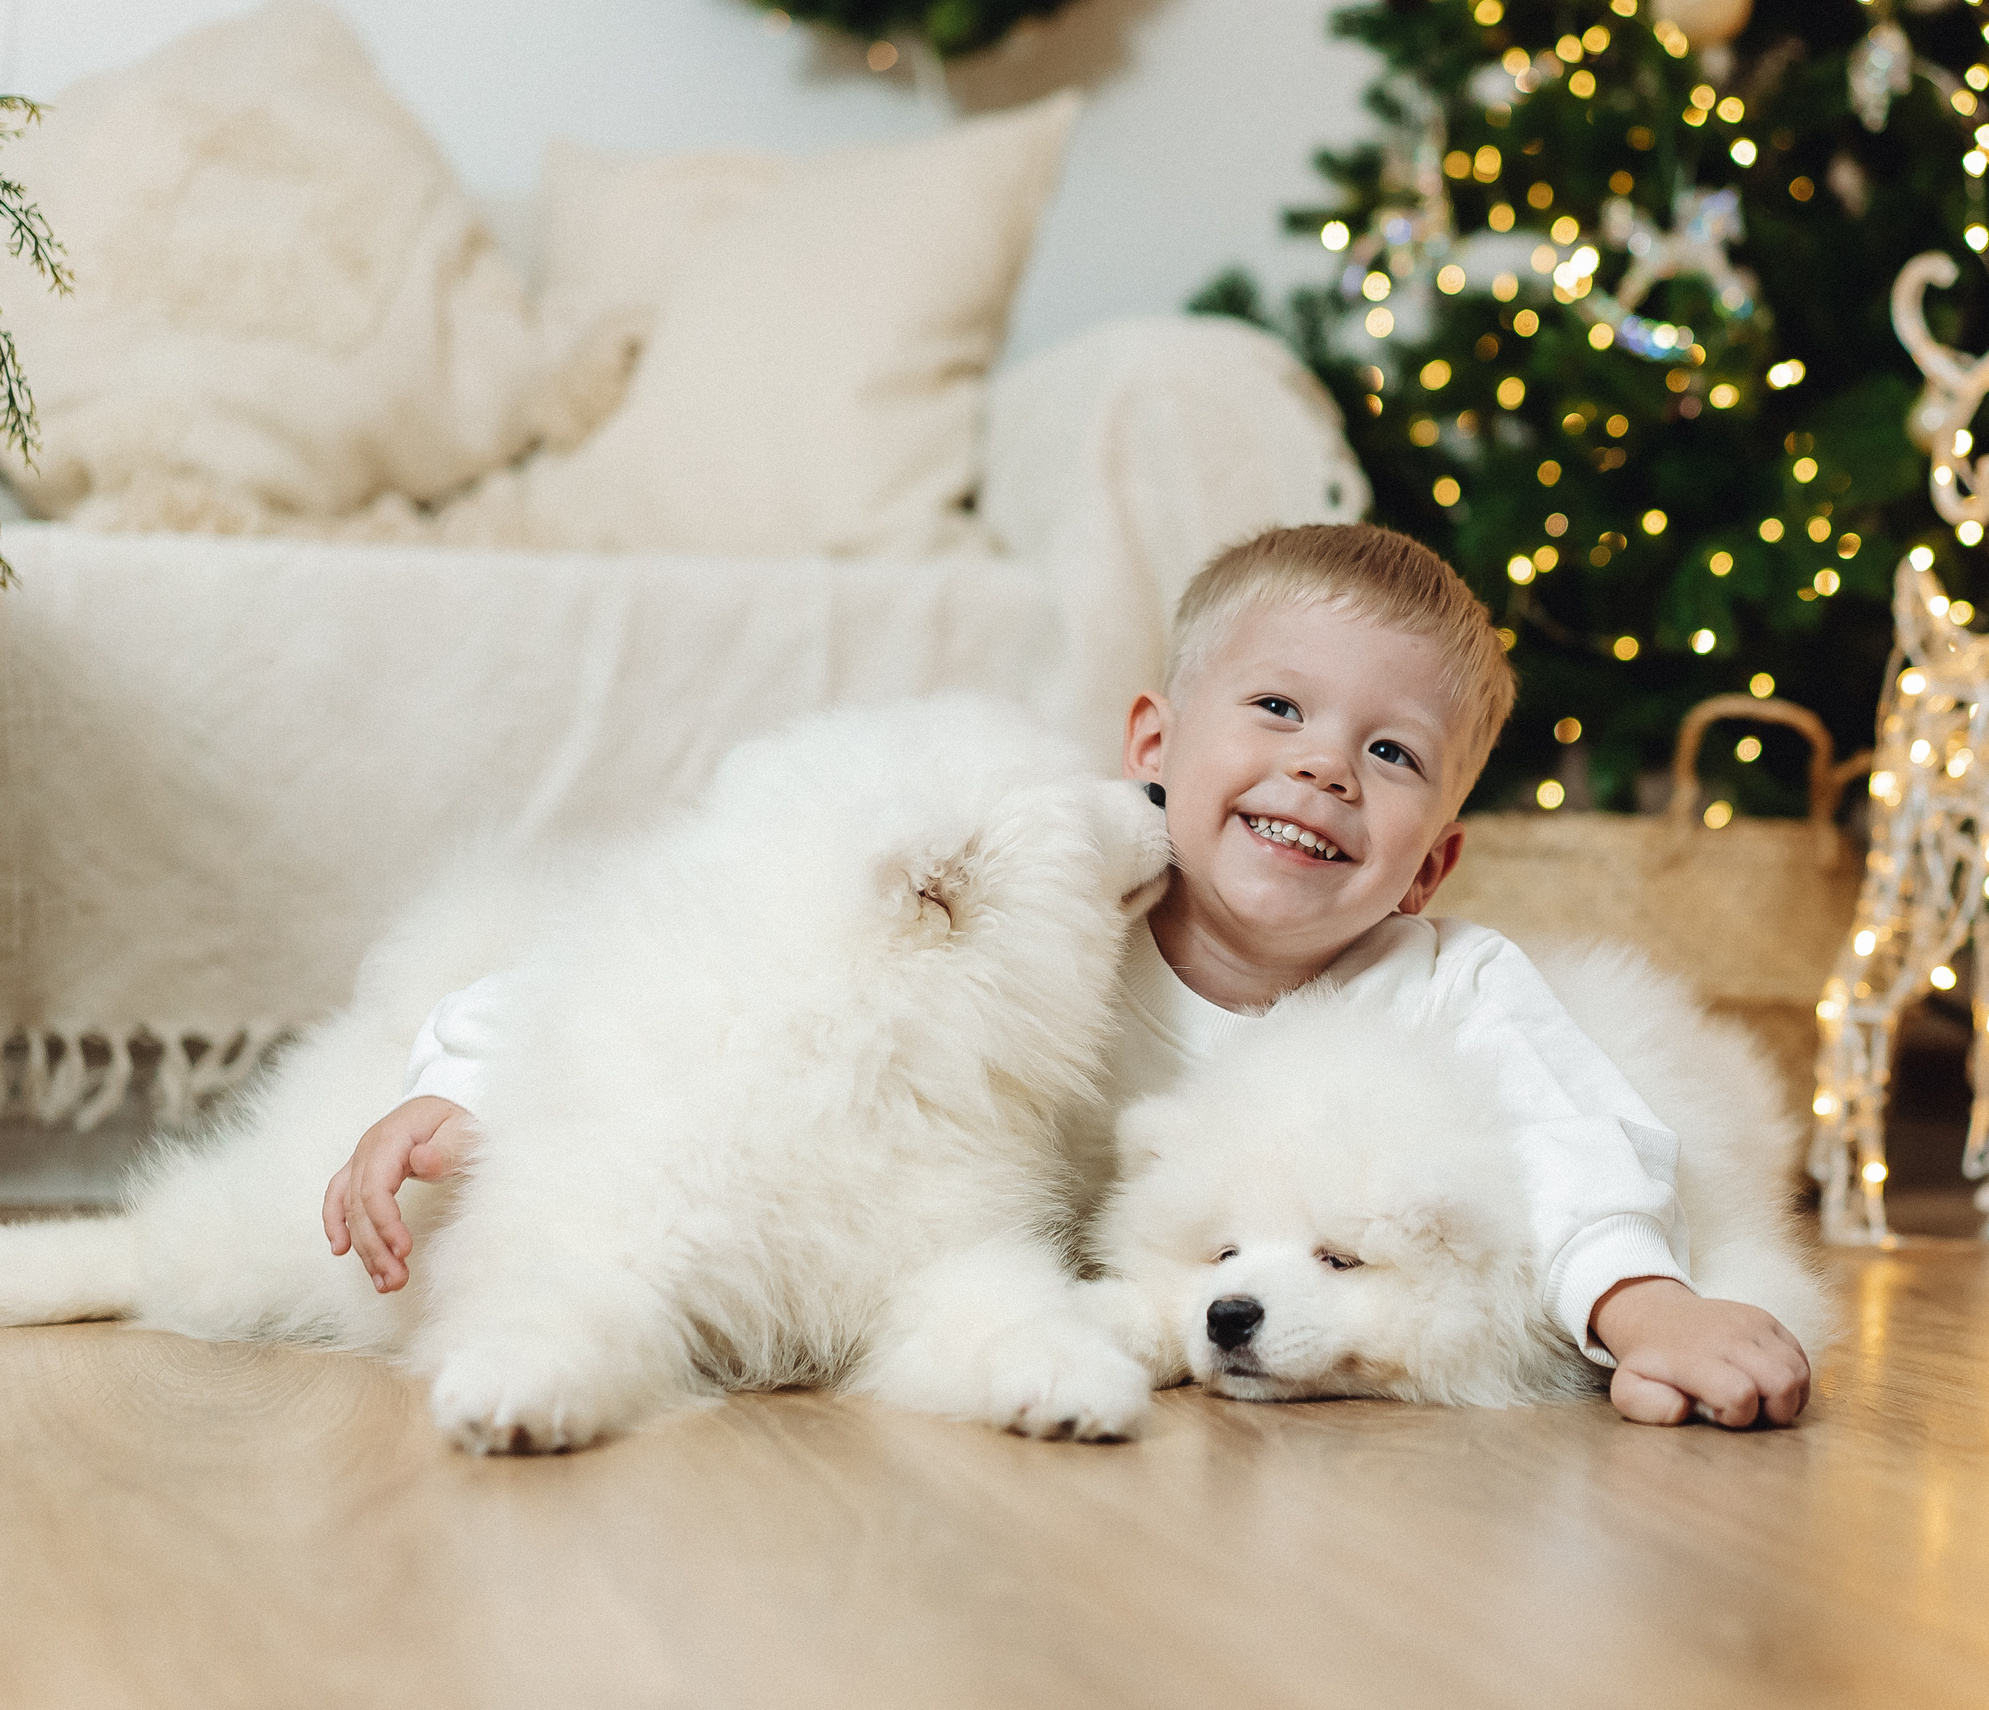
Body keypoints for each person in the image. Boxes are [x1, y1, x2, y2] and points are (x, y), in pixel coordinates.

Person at [322, 524, 1813, 1428]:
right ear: (1153, 747)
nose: (1322, 765)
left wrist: (1638, 1304)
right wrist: (458, 1083)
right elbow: (718, 965)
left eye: (1391, 753)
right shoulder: (1065, 920)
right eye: (1281, 706)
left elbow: (1571, 1146)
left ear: (1430, 862)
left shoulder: (1450, 986)